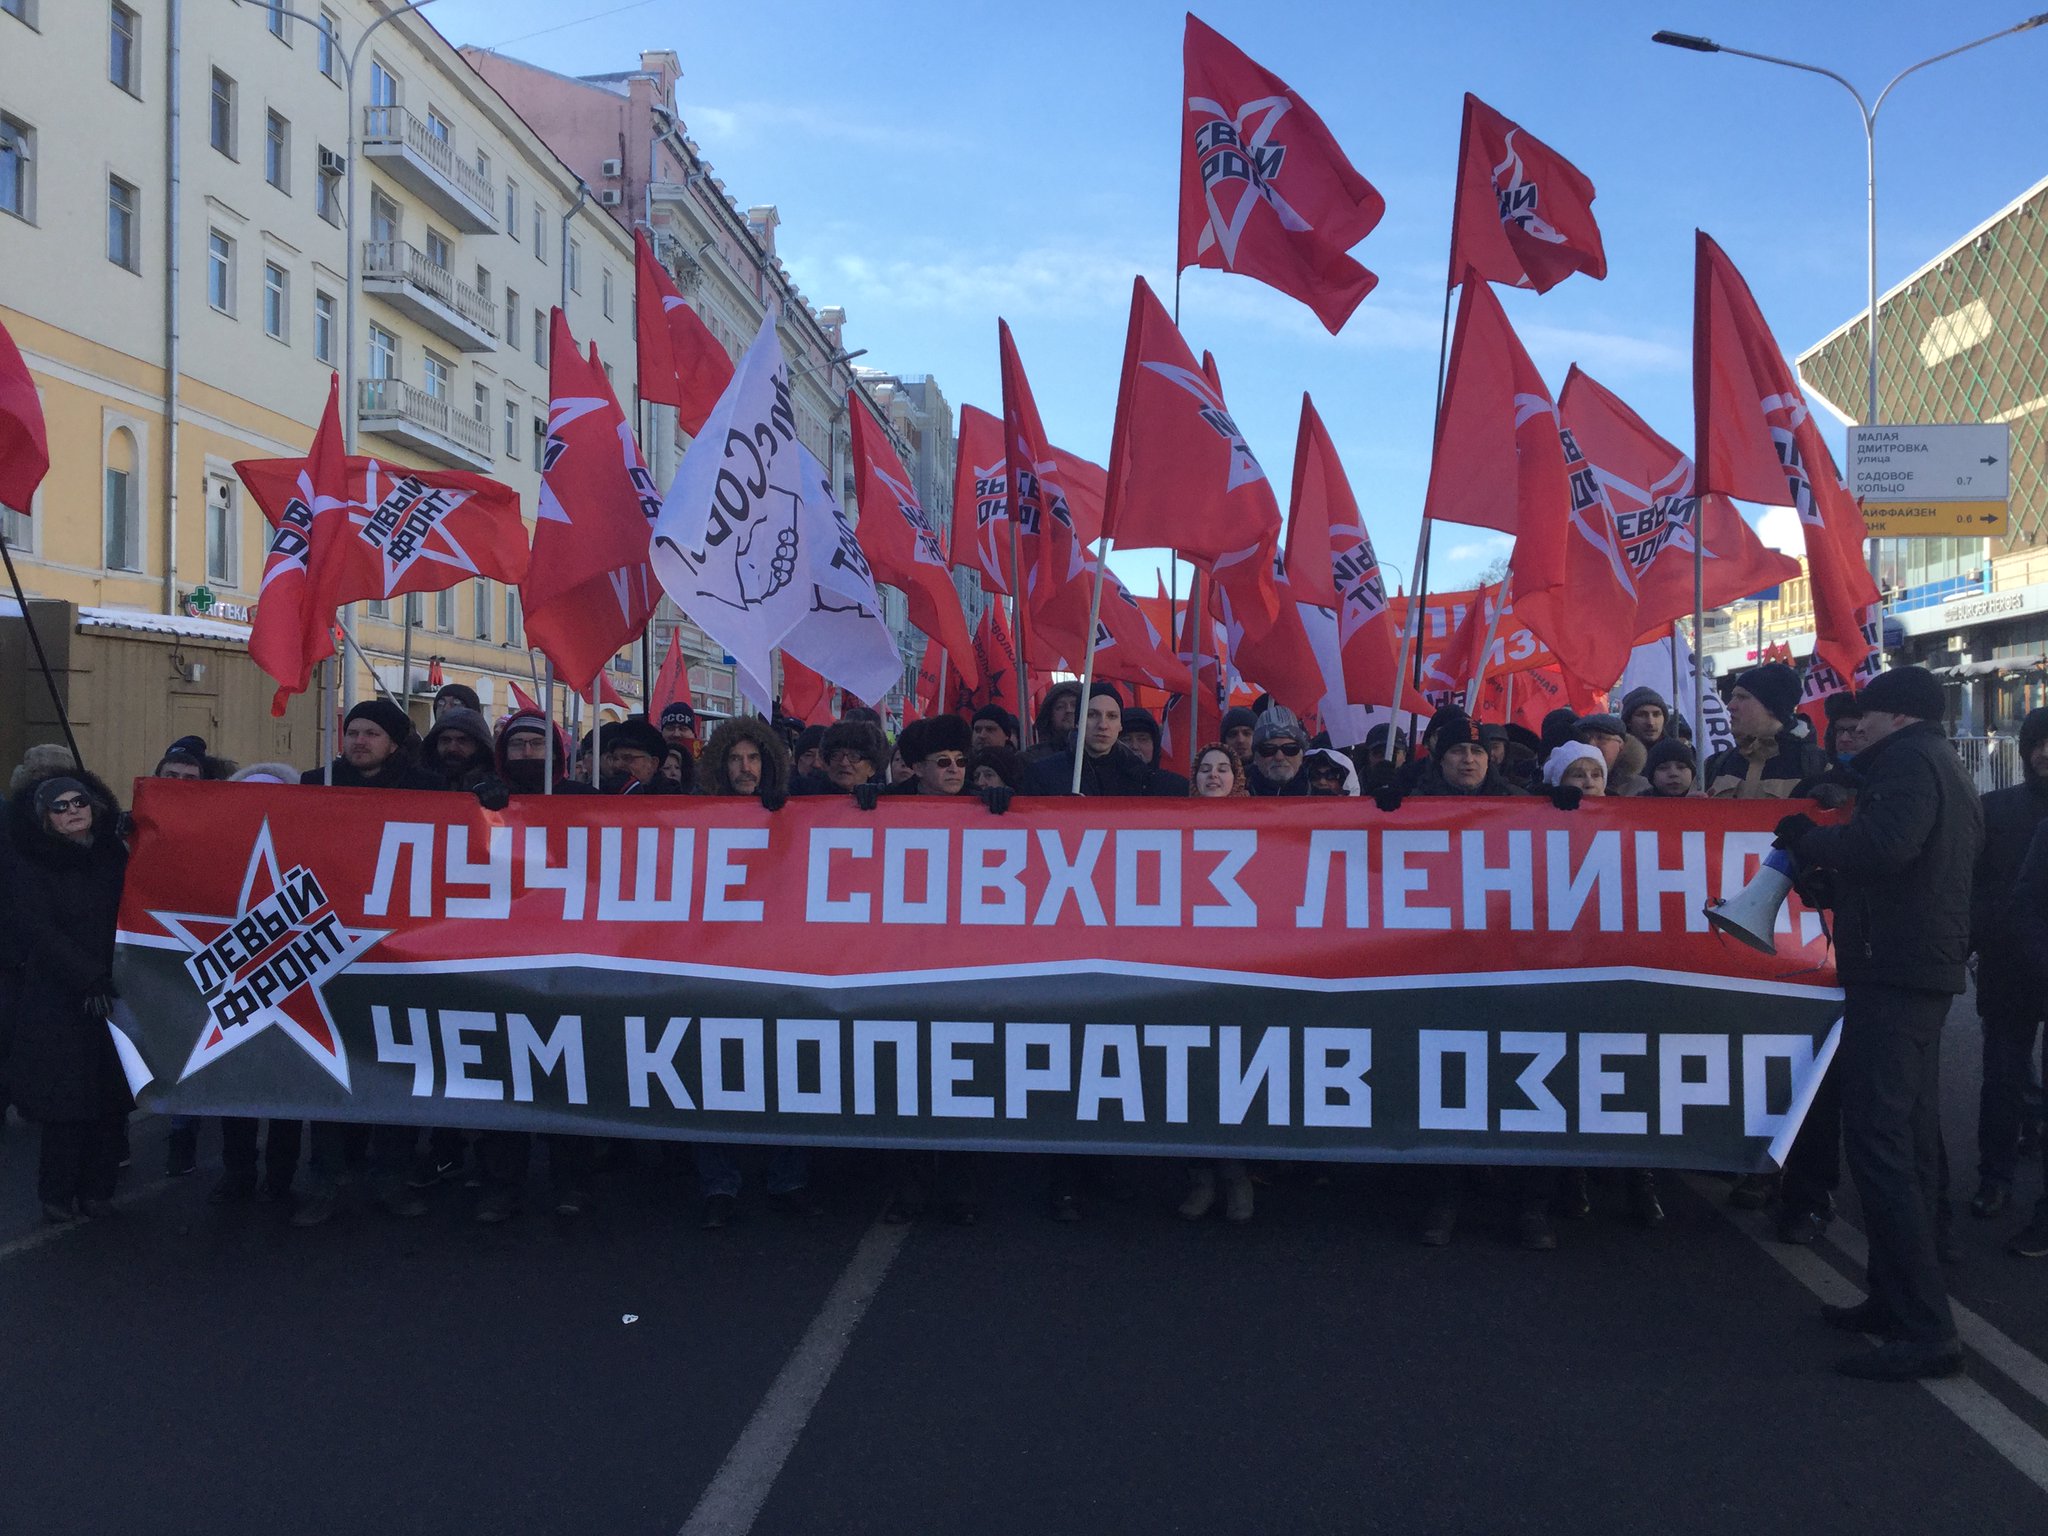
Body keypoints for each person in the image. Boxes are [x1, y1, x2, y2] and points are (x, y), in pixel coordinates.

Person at [1775, 665, 1980, 1380]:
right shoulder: (1933, 763)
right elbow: (1902, 868)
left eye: (1869, 714)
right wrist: (1834, 878)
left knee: (1882, 1142)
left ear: (1895, 715)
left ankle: (1927, 1328)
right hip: (1911, 965)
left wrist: (1810, 839)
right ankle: (1895, 1301)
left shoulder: (1908, 763)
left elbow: (1885, 847)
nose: (1857, 726)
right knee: (1906, 1140)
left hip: (1896, 974)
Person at [6, 771, 132, 1224]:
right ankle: (56, 1195)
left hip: (116, 992)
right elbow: (37, 929)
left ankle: (99, 1191)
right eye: (59, 807)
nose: (72, 811)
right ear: (44, 818)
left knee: (111, 1098)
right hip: (60, 997)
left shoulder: (111, 855)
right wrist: (86, 976)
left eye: (78, 802)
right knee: (68, 1104)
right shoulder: (30, 863)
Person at [1966, 705, 2048, 1222]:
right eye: (2037, 743)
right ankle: (1994, 1178)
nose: (2046, 754)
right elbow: (1970, 882)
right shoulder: (1994, 810)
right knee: (2001, 1079)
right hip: (2008, 965)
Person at [1181, 744, 1256, 1222]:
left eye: (1223, 768)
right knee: (1191, 1078)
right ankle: (1201, 1178)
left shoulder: (1262, 822)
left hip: (1239, 971)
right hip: (1185, 970)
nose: (1214, 776)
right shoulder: (1171, 824)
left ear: (1238, 776)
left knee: (1234, 1077)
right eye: (1205, 769)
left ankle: (1236, 1176)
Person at [1024, 684, 1172, 799]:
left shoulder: (1143, 778)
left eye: (1112, 716)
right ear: (1077, 722)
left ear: (1120, 725)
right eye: (1092, 715)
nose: (1102, 725)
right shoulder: (1043, 773)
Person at [1705, 663, 1826, 800]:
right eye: (1733, 697)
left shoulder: (1818, 767)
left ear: (1772, 707)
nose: (1730, 706)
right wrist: (1691, 806)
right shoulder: (1715, 765)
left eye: (1742, 697)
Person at [301, 699, 440, 791]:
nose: (359, 741)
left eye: (371, 734)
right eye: (352, 733)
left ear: (393, 744)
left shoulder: (425, 787)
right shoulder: (318, 782)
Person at [697, 713, 792, 804]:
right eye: (735, 759)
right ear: (721, 766)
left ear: (766, 764)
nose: (745, 768)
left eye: (753, 758)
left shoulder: (787, 811)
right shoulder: (699, 808)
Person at [420, 706, 497, 793]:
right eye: (445, 740)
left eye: (462, 740)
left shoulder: (498, 786)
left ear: (479, 745)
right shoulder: (415, 782)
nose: (452, 748)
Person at [1246, 706, 1312, 797]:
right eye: (1268, 749)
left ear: (1301, 754)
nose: (1279, 757)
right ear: (1255, 757)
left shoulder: (1323, 795)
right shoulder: (1234, 793)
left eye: (1290, 749)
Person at [1026, 681, 1083, 763]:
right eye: (1060, 707)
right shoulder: (1032, 759)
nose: (1068, 710)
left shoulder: (1100, 756)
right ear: (1050, 715)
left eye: (1075, 705)